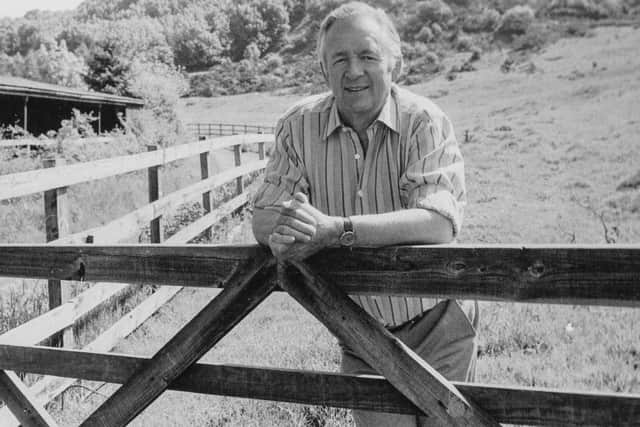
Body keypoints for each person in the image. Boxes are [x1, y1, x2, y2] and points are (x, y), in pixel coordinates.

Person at [252, 2, 477, 425]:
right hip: (360, 329)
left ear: (395, 64)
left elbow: (439, 222)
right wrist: (282, 230)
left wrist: (337, 230)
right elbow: (263, 215)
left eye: (368, 56)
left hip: (439, 320)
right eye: (339, 58)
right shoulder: (298, 126)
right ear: (323, 70)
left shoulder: (423, 121)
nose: (353, 70)